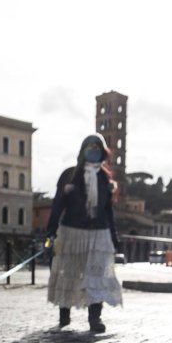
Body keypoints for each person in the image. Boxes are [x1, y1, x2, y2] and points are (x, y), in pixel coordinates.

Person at [44, 133, 123, 332]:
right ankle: (64, 314)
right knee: (68, 273)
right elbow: (57, 205)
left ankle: (94, 319)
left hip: (99, 233)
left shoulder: (105, 178)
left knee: (97, 276)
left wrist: (114, 237)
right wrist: (50, 231)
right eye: (90, 147)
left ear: (103, 152)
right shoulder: (69, 175)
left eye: (98, 148)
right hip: (72, 231)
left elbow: (108, 210)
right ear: (82, 151)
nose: (93, 151)